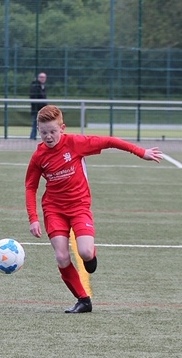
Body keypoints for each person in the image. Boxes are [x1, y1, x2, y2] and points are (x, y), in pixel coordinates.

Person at [25, 105, 163, 313]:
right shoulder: (39, 156)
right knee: (62, 256)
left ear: (62, 128)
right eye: (44, 132)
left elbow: (109, 141)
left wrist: (141, 152)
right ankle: (83, 300)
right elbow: (31, 187)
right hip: (54, 209)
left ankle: (91, 255)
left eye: (53, 131)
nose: (49, 136)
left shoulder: (76, 143)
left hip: (79, 206)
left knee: (85, 252)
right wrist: (33, 218)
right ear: (38, 130)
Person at [29, 72, 47, 140]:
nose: (43, 79)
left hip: (42, 108)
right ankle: (32, 137)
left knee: (38, 123)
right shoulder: (35, 86)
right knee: (35, 123)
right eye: (41, 77)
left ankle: (34, 137)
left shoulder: (43, 86)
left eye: (44, 77)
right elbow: (33, 97)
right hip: (36, 108)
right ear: (38, 78)